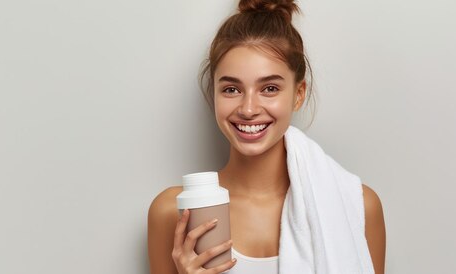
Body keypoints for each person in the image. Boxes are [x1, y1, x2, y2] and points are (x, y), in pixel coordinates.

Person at [147, 0, 386, 273]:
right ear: (214, 93)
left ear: (298, 94)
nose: (248, 109)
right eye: (231, 90)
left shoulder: (356, 207)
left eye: (270, 88)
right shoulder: (173, 212)